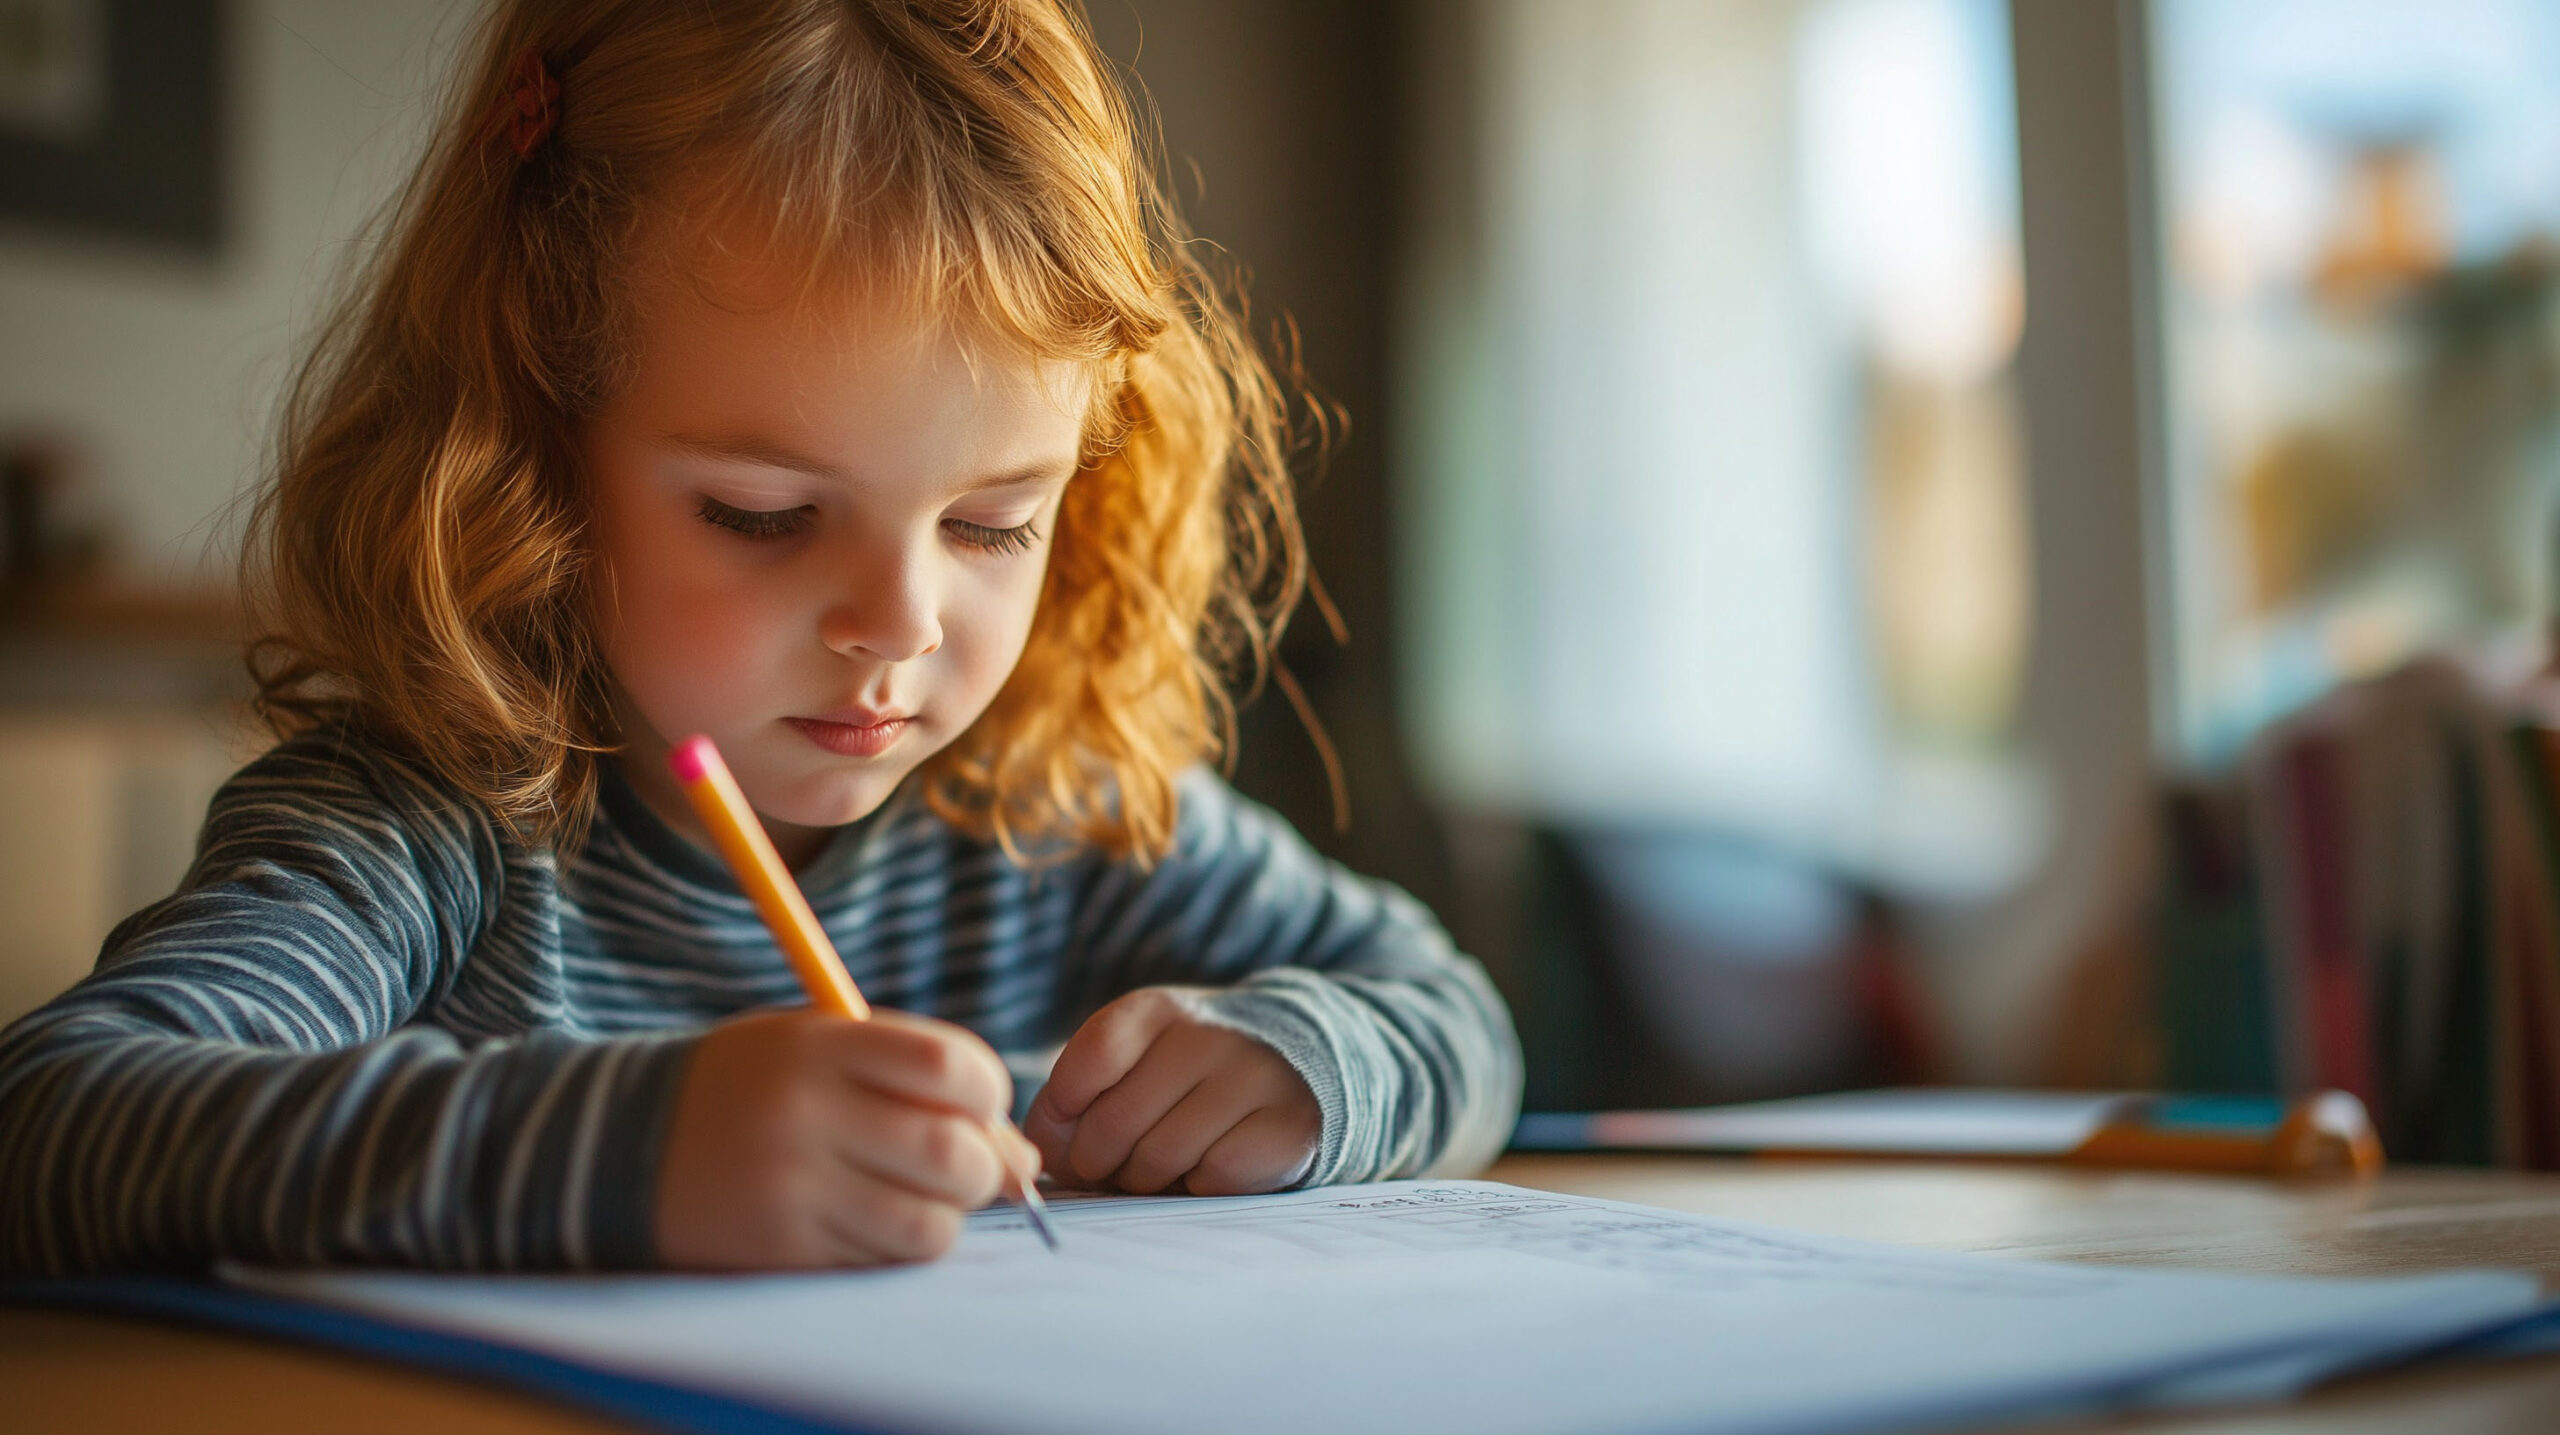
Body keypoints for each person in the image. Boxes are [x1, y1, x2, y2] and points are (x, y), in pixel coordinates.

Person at [0, 0, 1519, 1277]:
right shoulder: (422, 828)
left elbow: (1458, 1015)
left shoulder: (1053, 811)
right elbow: (59, 1121)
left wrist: (1307, 1067)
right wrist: (633, 1155)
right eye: (761, 513)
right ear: (531, 455)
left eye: (995, 524)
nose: (901, 625)